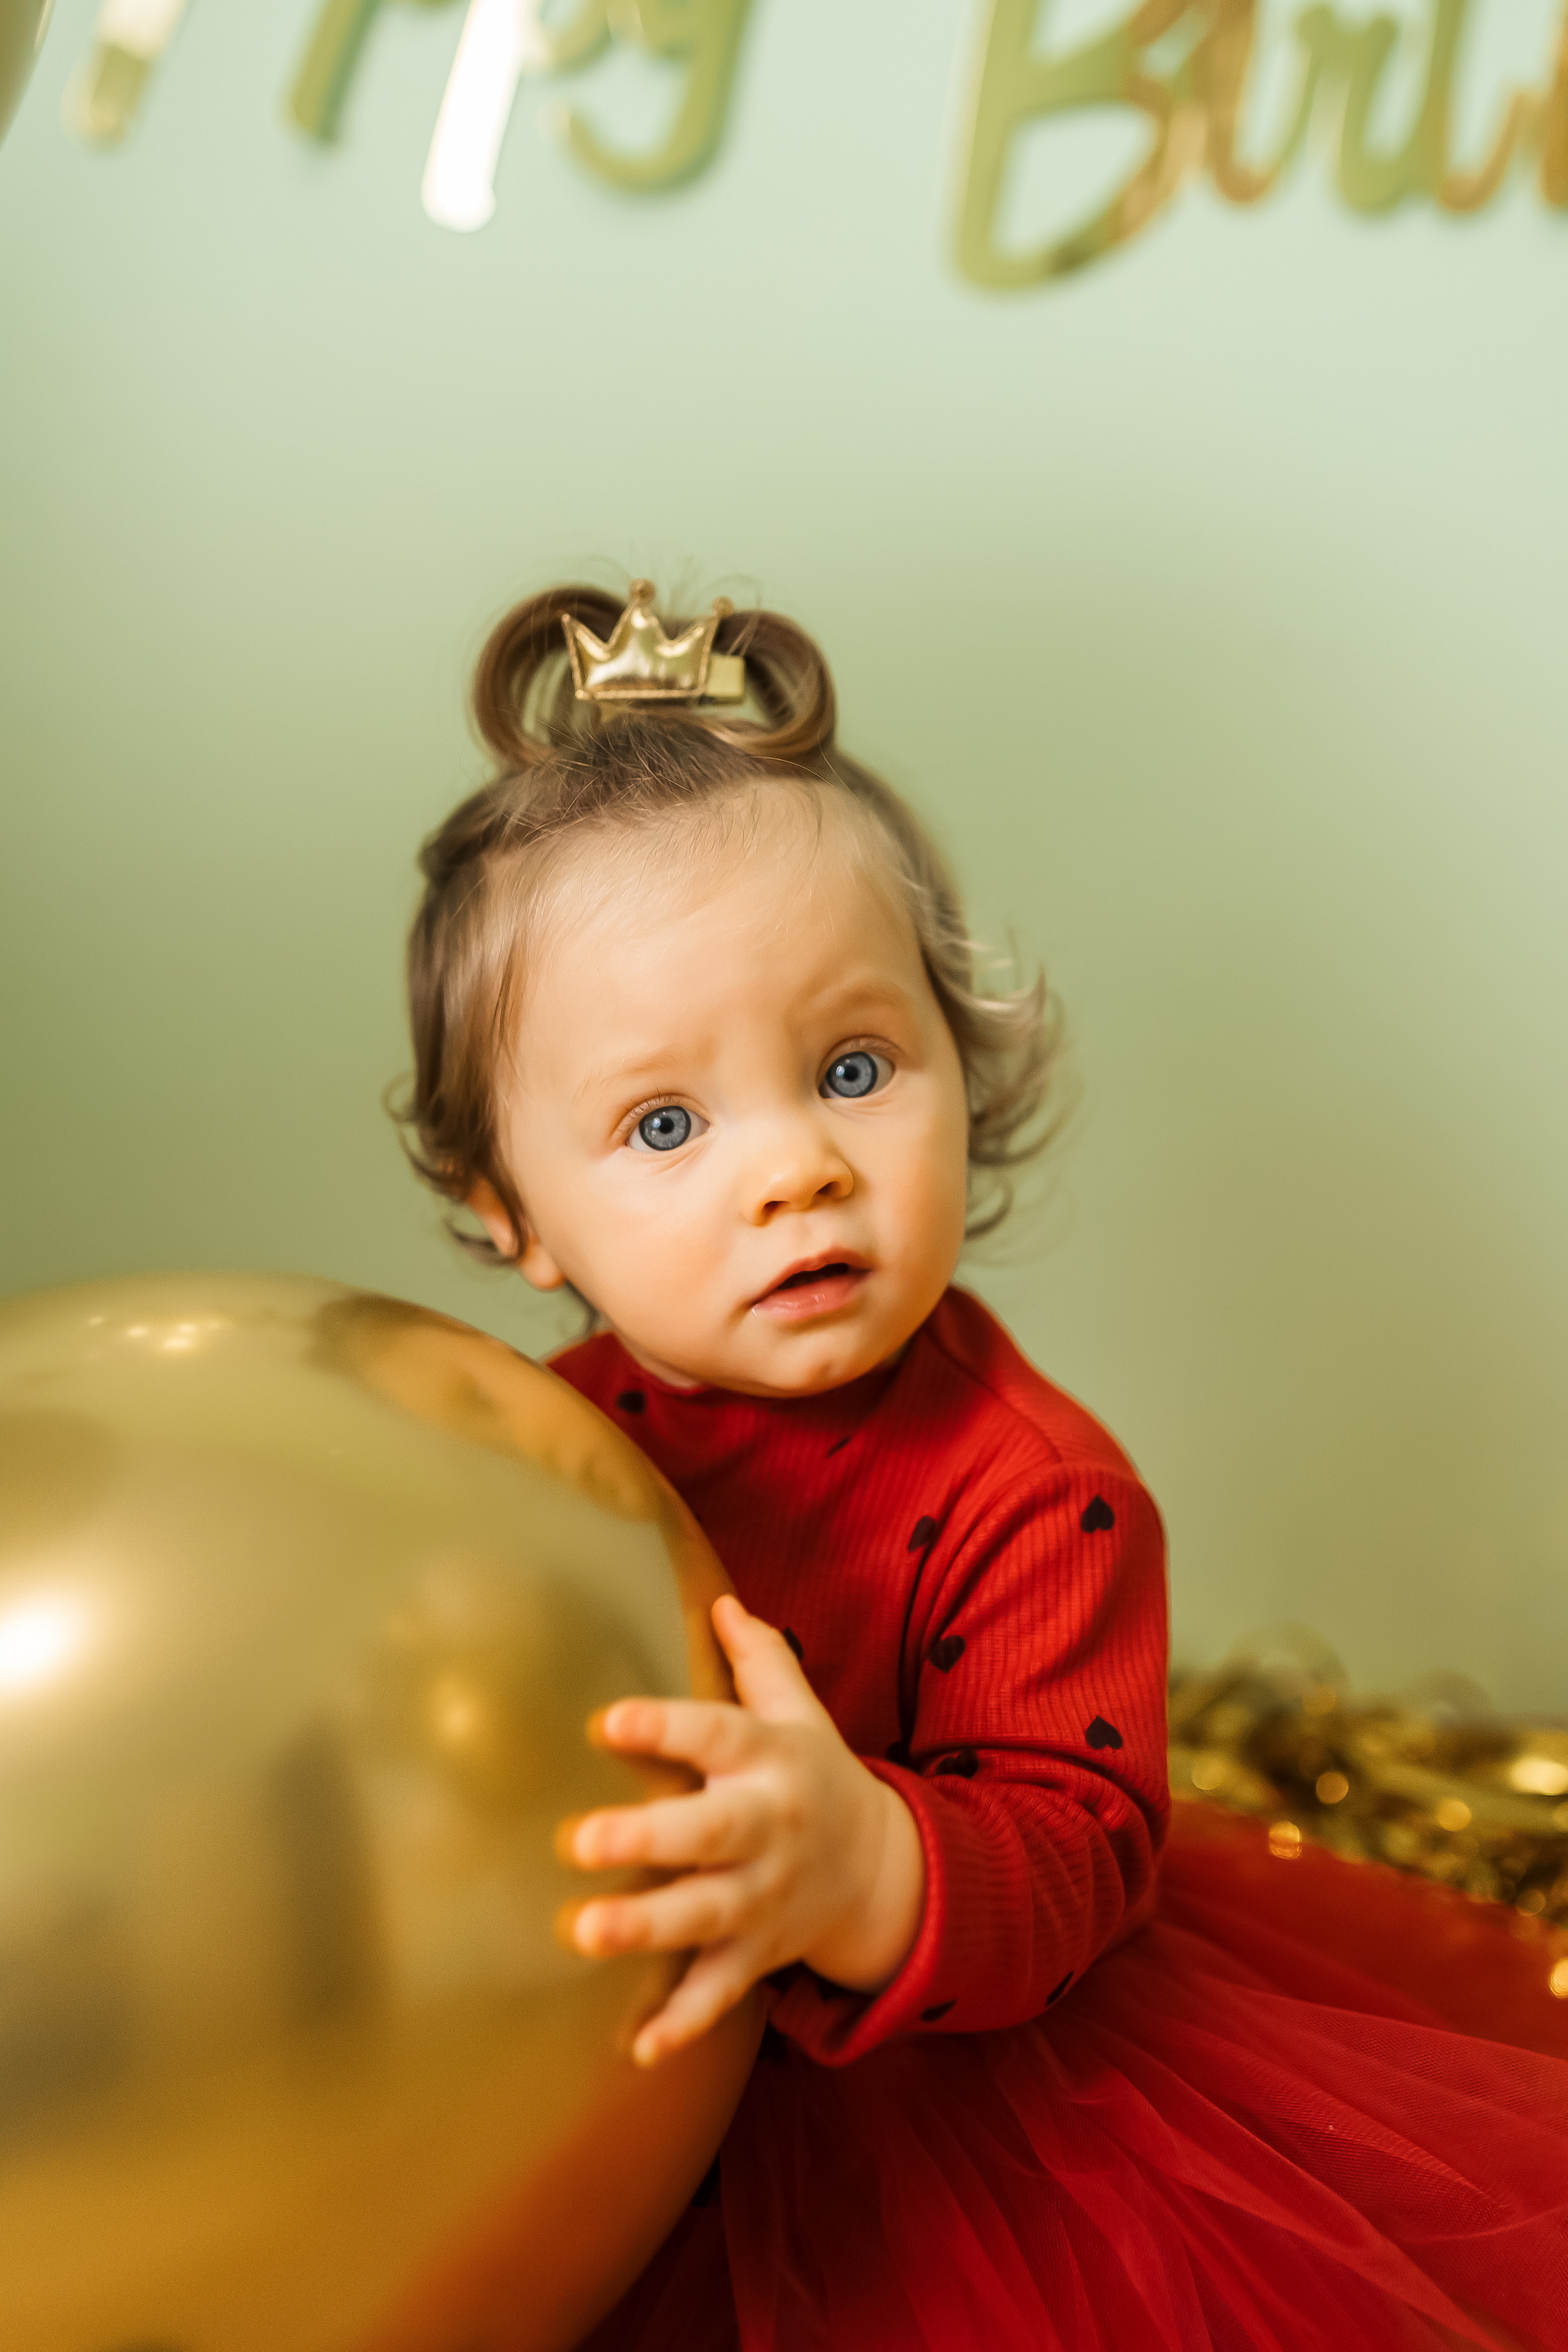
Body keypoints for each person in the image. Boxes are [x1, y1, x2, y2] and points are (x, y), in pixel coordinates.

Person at [396, 581, 1568, 2351]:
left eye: (855, 1066)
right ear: (514, 1216)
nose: (795, 1168)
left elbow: (1076, 1849)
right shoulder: (518, 1463)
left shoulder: (1036, 1490)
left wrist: (859, 1866)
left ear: (968, 1060)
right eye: (663, 1124)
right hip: (606, 2086)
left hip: (951, 2110)